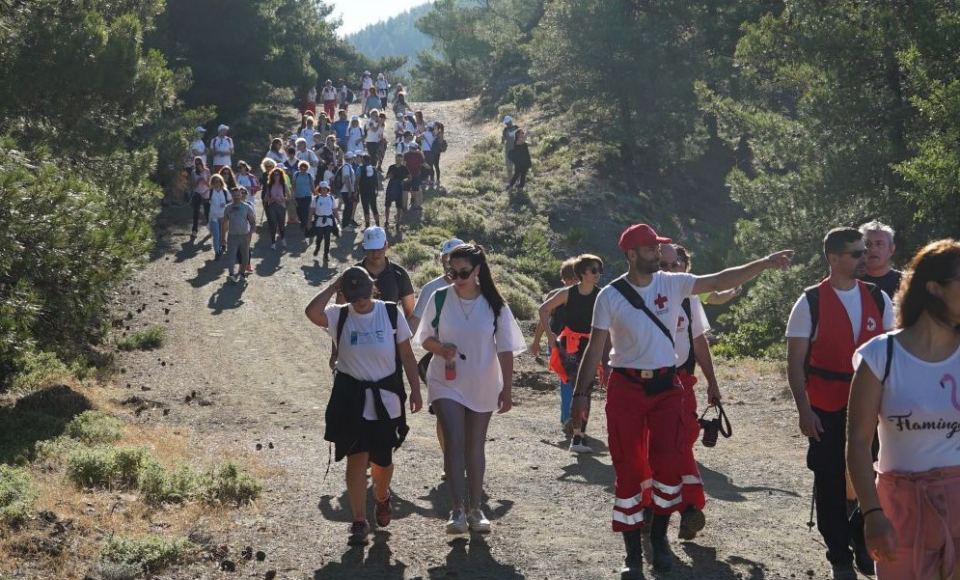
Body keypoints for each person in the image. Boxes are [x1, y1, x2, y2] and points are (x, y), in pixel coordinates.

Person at [570, 223, 793, 577]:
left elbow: (720, 279)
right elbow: (596, 348)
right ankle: (632, 553)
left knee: (670, 463)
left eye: (658, 249)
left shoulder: (673, 283)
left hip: (666, 387)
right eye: (650, 249)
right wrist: (580, 396)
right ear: (631, 254)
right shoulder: (609, 296)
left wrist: (764, 262)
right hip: (625, 388)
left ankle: (659, 539)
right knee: (628, 467)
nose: (658, 254)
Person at [785, 227, 895, 580]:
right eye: (857, 253)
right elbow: (794, 362)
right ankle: (839, 555)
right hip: (825, 405)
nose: (866, 257)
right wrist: (804, 409)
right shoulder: (810, 301)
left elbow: (893, 354)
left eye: (866, 251)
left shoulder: (879, 298)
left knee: (876, 477)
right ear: (834, 258)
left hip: (873, 405)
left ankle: (861, 541)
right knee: (830, 479)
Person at [847, 239, 960, 580]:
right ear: (934, 288)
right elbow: (857, 442)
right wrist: (872, 513)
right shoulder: (880, 356)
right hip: (901, 505)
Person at [305, 267, 423, 546]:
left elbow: (406, 354)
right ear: (345, 294)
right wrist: (335, 286)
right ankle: (359, 520)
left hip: (386, 398)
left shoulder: (390, 313)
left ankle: (381, 498)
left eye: (364, 293)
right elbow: (311, 312)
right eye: (353, 294)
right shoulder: (339, 315)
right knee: (356, 457)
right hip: (351, 398)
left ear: (373, 287)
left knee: (382, 462)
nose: (360, 301)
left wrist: (416, 389)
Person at [413, 243, 525, 534]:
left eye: (463, 271)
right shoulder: (439, 298)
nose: (457, 277)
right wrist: (440, 348)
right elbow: (423, 338)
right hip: (445, 380)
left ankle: (476, 509)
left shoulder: (494, 304)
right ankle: (457, 510)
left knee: (475, 445)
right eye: (452, 271)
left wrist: (507, 389)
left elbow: (506, 349)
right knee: (454, 440)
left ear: (477, 270)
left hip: (482, 380)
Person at [538, 254, 603, 452]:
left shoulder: (601, 295)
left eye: (600, 270)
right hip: (570, 345)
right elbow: (543, 309)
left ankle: (579, 435)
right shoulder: (568, 293)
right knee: (578, 388)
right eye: (594, 270)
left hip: (590, 346)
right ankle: (576, 435)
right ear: (582, 273)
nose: (598, 274)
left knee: (587, 390)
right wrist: (550, 337)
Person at [529, 259, 578, 359]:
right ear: (565, 279)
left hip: (579, 342)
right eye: (571, 279)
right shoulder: (554, 296)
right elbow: (543, 320)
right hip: (557, 342)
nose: (574, 282)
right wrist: (536, 342)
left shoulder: (587, 297)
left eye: (577, 279)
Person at [860, 220, 903, 299]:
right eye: (867, 244)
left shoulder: (905, 282)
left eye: (879, 244)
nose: (873, 249)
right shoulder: (850, 283)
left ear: (891, 249)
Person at [224, 187, 256, 284]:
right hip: (232, 236)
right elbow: (224, 223)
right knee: (231, 256)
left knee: (245, 257)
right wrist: (222, 238)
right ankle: (231, 274)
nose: (236, 197)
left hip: (244, 236)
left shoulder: (247, 207)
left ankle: (242, 274)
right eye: (234, 195)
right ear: (232, 196)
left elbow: (253, 222)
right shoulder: (228, 208)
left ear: (241, 195)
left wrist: (250, 234)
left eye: (238, 195)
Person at [308, 181, 338, 263]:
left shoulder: (331, 198)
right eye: (322, 189)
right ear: (319, 190)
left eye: (325, 189)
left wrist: (338, 219)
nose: (324, 190)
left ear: (328, 189)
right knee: (319, 237)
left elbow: (334, 210)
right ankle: (317, 247)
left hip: (328, 221)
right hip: (319, 221)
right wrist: (309, 221)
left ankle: (326, 254)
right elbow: (311, 210)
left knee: (327, 238)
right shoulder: (316, 199)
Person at [264, 167, 289, 251]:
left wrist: (282, 199)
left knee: (281, 225)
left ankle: (283, 239)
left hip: (281, 206)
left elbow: (288, 197)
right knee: (273, 224)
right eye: (274, 175)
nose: (276, 176)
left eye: (277, 174)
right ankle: (273, 243)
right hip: (272, 206)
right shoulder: (269, 185)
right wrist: (270, 199)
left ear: (281, 175)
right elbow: (265, 197)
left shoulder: (284, 185)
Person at [383, 154, 408, 232]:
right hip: (391, 187)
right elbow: (386, 177)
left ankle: (397, 222)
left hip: (399, 187)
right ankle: (386, 221)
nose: (398, 161)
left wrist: (405, 180)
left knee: (399, 206)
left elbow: (409, 177)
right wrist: (388, 176)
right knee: (387, 205)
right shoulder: (391, 167)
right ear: (395, 159)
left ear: (402, 160)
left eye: (400, 159)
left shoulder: (404, 168)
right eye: (397, 159)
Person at [207, 174, 229, 260]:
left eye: (218, 181)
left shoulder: (225, 191)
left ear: (221, 182)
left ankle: (220, 248)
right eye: (215, 181)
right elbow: (206, 201)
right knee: (216, 235)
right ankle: (217, 252)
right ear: (212, 183)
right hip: (214, 217)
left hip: (223, 216)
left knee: (221, 235)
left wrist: (226, 204)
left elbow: (231, 201)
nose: (217, 183)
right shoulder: (210, 192)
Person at [291, 160, 314, 240]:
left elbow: (312, 186)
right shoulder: (296, 175)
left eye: (305, 169)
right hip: (298, 196)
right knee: (299, 211)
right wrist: (292, 195)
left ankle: (304, 225)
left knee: (305, 210)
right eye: (302, 168)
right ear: (299, 168)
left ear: (307, 169)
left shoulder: (309, 175)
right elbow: (293, 186)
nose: (303, 170)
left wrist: (316, 194)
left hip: (307, 196)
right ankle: (303, 222)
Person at [335, 151, 358, 230]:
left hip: (347, 190)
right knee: (348, 207)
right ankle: (344, 225)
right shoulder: (346, 167)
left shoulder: (348, 166)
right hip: (346, 191)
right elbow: (347, 179)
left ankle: (347, 223)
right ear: (351, 159)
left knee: (349, 207)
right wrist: (350, 191)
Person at [189, 157, 211, 238]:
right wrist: (198, 181)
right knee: (196, 212)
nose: (198, 165)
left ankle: (210, 228)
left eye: (199, 163)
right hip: (197, 193)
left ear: (202, 163)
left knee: (207, 212)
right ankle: (194, 230)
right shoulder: (193, 172)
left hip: (206, 193)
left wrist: (204, 181)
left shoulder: (207, 171)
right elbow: (192, 185)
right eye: (197, 163)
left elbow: (209, 184)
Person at [357, 153, 380, 229]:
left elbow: (358, 180)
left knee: (365, 208)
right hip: (372, 190)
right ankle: (377, 224)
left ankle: (367, 225)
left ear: (363, 160)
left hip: (363, 191)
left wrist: (356, 189)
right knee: (374, 208)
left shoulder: (360, 168)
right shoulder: (373, 168)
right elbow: (376, 180)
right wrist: (376, 189)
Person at [403, 143, 425, 209]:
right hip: (416, 174)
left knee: (405, 191)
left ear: (410, 148)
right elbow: (423, 164)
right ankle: (416, 204)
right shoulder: (419, 155)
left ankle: (404, 206)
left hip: (407, 175)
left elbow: (404, 165)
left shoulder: (406, 155)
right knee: (415, 189)